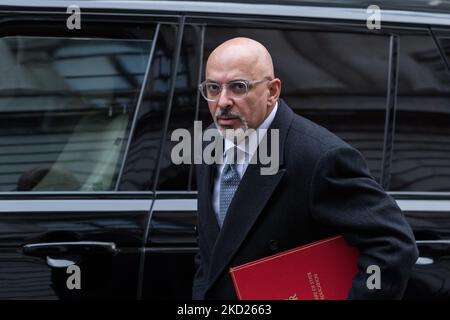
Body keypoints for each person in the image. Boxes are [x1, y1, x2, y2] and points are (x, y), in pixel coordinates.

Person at [192, 37, 418, 300]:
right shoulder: (209, 139)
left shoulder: (319, 157)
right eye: (213, 88)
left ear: (273, 91)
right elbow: (211, 253)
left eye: (238, 87)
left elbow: (393, 246)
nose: (222, 101)